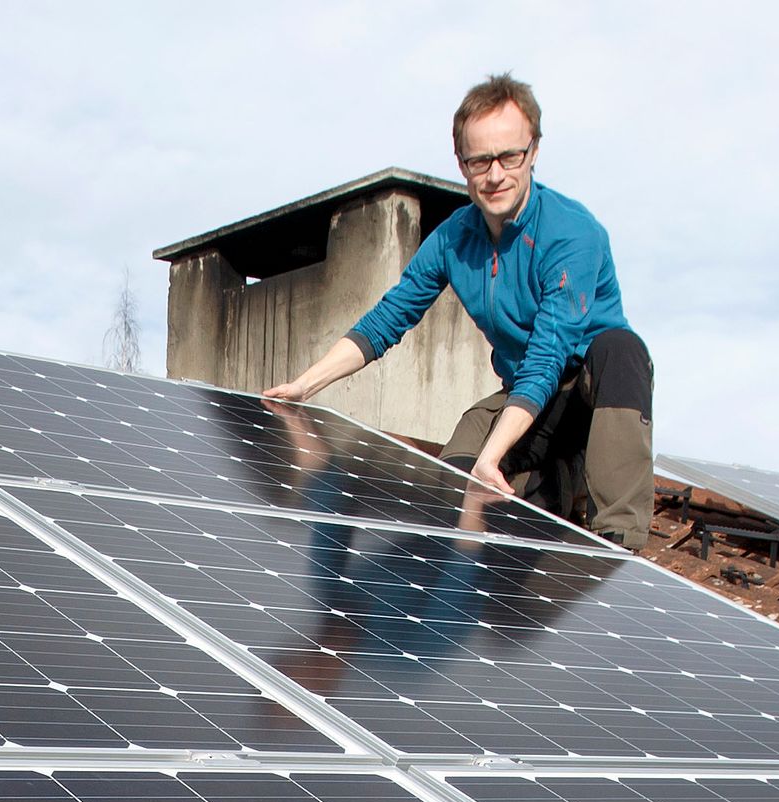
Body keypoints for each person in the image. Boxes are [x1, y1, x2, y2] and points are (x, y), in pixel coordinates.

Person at [263, 73, 654, 549]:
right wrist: (304, 385)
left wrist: (495, 455)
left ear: (533, 151)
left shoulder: (571, 233)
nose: (495, 175)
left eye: (510, 156)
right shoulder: (453, 238)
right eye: (480, 160)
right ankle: (551, 489)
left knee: (621, 349)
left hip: (588, 394)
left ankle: (618, 541)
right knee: (452, 488)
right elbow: (390, 317)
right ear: (461, 162)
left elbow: (549, 355)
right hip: (526, 400)